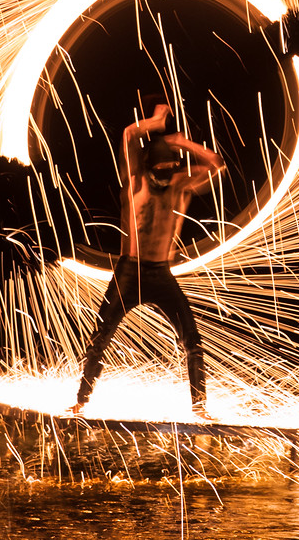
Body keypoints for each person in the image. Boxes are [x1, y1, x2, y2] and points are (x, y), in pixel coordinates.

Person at [68, 100, 225, 420]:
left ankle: (199, 408)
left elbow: (217, 163)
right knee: (100, 337)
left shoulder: (180, 185)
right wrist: (154, 123)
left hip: (161, 274)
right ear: (150, 168)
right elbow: (128, 134)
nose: (164, 178)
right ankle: (81, 402)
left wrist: (181, 142)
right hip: (129, 272)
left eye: (170, 171)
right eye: (160, 171)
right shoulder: (136, 180)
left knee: (192, 341)